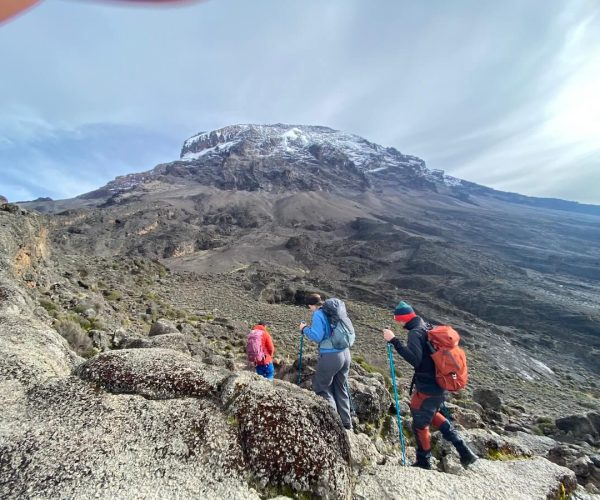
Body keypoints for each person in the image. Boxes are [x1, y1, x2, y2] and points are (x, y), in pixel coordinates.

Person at [383, 301, 478, 469]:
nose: (399, 323)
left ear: (402, 319)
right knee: (430, 413)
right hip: (439, 383)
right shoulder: (426, 326)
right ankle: (464, 451)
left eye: (399, 320)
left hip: (427, 387)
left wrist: (394, 341)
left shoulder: (414, 333)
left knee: (419, 423)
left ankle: (424, 461)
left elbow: (415, 360)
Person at [299, 293, 352, 430]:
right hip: (345, 353)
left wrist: (304, 329)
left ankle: (333, 427)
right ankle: (346, 424)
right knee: (340, 387)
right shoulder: (332, 312)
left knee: (322, 388)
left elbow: (317, 336)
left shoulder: (318, 314)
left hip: (331, 356)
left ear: (311, 305)